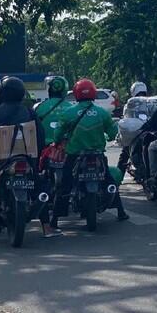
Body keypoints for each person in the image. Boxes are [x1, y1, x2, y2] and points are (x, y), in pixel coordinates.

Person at [0, 76, 59, 237]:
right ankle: (46, 226)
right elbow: (40, 139)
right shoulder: (29, 113)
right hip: (27, 161)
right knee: (40, 185)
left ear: (2, 93)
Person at [52, 79, 128, 226]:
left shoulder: (68, 113)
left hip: (75, 156)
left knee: (64, 186)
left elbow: (58, 135)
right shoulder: (102, 113)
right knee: (108, 181)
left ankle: (54, 219)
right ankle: (121, 211)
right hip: (97, 154)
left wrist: (57, 142)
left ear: (76, 94)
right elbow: (113, 133)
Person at [117, 81, 149, 174]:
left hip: (144, 129)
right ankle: (117, 178)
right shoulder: (130, 104)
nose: (141, 95)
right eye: (140, 93)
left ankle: (117, 179)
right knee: (125, 151)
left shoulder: (149, 102)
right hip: (137, 130)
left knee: (124, 153)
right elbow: (126, 117)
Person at [35, 76, 74, 146]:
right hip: (64, 148)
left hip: (43, 148)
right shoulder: (71, 108)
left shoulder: (39, 107)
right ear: (65, 91)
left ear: (49, 90)